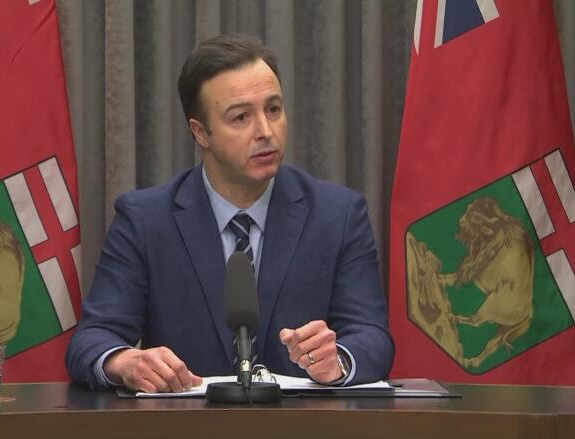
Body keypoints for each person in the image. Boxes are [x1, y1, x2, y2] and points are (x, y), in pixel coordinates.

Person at [66, 33, 394, 393]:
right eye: (241, 117)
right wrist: (124, 361)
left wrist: (340, 360)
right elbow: (92, 340)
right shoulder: (145, 221)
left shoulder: (338, 215)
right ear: (201, 132)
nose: (266, 132)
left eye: (273, 109)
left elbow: (372, 337)